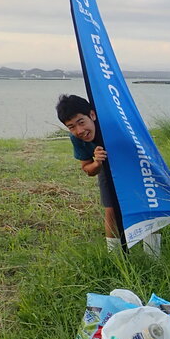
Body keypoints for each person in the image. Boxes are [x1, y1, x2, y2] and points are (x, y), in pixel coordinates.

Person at [56, 94, 119, 253]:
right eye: (71, 126)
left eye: (81, 122)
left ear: (92, 114)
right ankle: (115, 256)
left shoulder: (113, 123)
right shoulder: (76, 138)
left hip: (132, 159)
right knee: (110, 210)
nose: (79, 131)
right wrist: (97, 162)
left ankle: (153, 255)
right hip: (106, 164)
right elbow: (87, 169)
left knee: (147, 202)